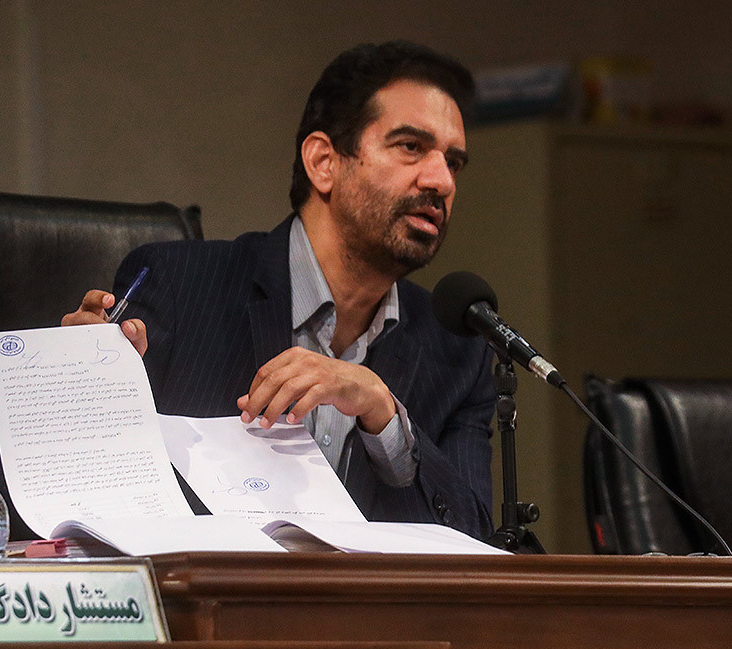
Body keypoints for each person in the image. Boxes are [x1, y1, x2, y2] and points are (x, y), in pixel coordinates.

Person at [62, 40, 496, 539]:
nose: (441, 181)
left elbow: (475, 540)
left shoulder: (458, 350)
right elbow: (86, 493)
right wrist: (79, 383)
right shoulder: (179, 288)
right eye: (410, 147)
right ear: (323, 162)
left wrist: (384, 416)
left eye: (453, 163)